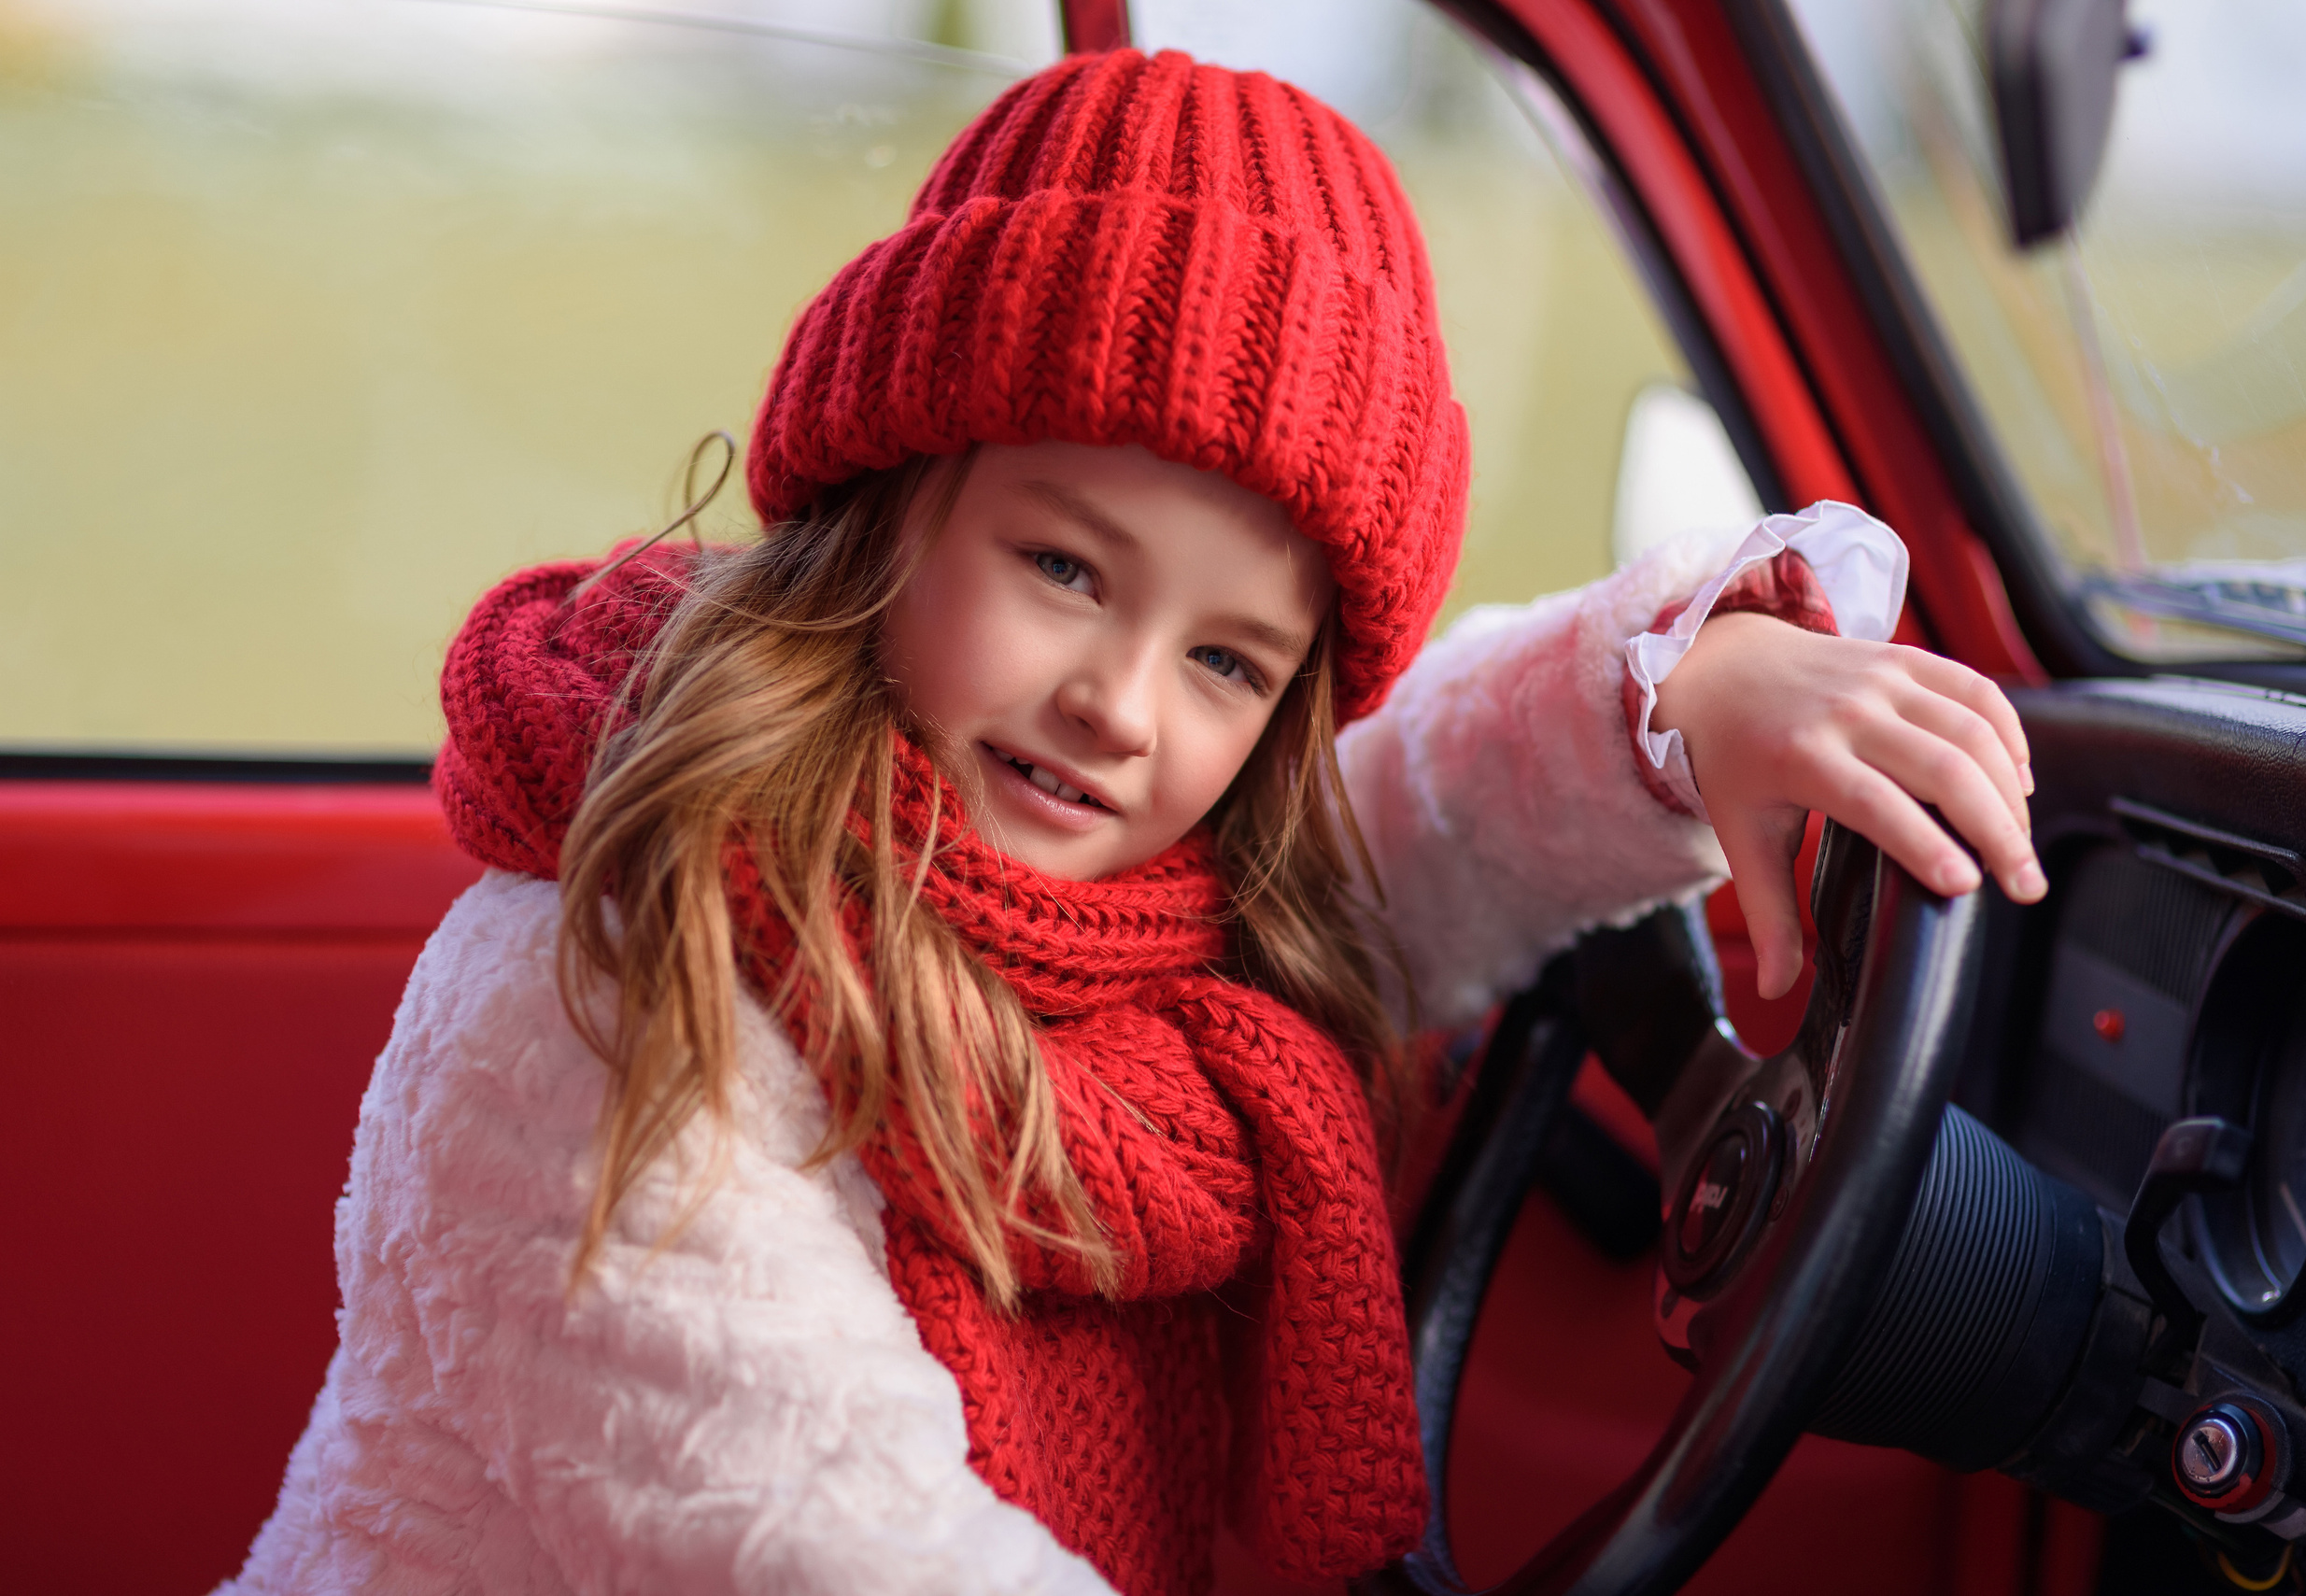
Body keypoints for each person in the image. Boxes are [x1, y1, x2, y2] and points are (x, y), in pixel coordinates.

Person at [220, 47, 2044, 1596]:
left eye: (1232, 664)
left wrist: (1685, 690)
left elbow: (1425, 810)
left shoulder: (1139, 913)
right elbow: (846, 1541)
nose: (1122, 703)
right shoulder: (611, 980)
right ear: (887, 509)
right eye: (1064, 565)